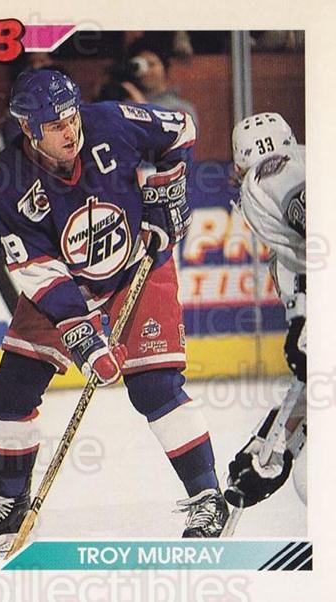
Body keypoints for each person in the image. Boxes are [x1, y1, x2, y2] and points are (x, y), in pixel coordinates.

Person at [0, 69, 229, 557]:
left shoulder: (110, 122)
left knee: (155, 387)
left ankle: (209, 497)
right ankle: (11, 504)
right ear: (28, 128)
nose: (70, 130)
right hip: (68, 283)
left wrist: (170, 186)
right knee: (11, 388)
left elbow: (180, 129)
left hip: (138, 265)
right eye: (55, 125)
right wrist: (84, 337)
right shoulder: (9, 184)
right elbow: (37, 270)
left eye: (71, 117)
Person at [224, 113, 306, 509]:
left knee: (314, 480)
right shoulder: (294, 255)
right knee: (310, 478)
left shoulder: (269, 173)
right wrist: (273, 443)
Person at [128, 38, 198, 125]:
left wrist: (142, 106)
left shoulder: (181, 109)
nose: (146, 71)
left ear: (164, 67)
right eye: (139, 66)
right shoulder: (126, 105)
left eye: (151, 64)